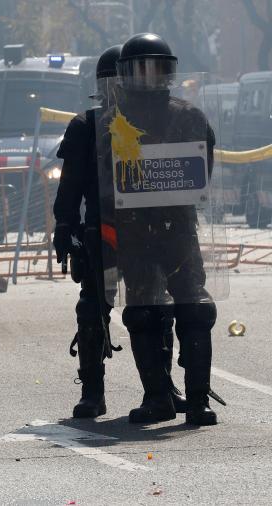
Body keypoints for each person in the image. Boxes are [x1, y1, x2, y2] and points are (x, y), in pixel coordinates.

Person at [53, 45, 187, 422]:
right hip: (104, 230)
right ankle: (93, 391)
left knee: (155, 310)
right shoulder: (86, 125)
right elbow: (71, 186)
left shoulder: (154, 122)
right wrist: (63, 226)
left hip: (149, 231)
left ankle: (161, 388)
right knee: (93, 309)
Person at [103, 33, 218, 425]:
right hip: (134, 231)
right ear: (125, 74)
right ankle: (157, 397)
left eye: (157, 69)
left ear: (169, 72)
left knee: (196, 310)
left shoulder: (189, 116)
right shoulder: (113, 121)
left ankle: (199, 401)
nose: (149, 77)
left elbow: (203, 167)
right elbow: (102, 176)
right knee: (143, 313)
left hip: (179, 230)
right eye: (140, 69)